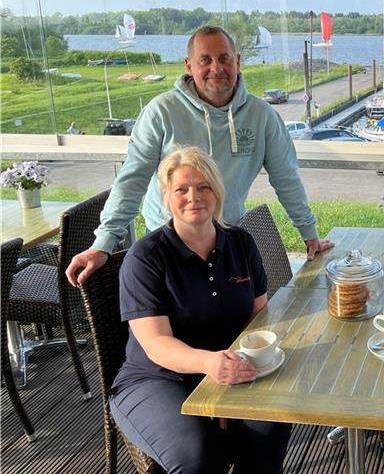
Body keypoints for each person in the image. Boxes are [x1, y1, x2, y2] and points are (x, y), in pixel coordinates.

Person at [66, 25, 333, 286]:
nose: (216, 68)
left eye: (224, 58)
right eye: (205, 60)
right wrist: (104, 243)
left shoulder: (262, 116)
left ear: (237, 62)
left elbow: (286, 179)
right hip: (169, 243)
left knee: (244, 322)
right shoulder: (161, 112)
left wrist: (309, 234)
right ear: (189, 65)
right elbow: (132, 181)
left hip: (229, 240)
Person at [108, 146, 291, 473]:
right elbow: (156, 344)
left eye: (204, 186)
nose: (194, 197)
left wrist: (226, 383)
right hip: (157, 378)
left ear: (217, 192)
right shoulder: (145, 258)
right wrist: (210, 369)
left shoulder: (241, 243)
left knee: (269, 427)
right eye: (182, 189)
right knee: (198, 455)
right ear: (166, 195)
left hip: (230, 366)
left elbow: (258, 318)